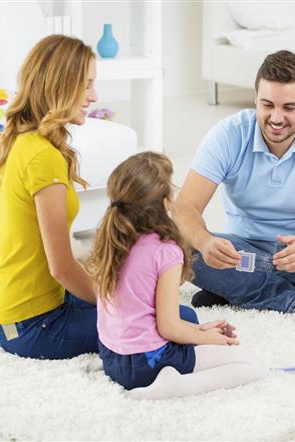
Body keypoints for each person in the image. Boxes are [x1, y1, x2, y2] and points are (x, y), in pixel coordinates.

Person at [174, 50, 295, 324]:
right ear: (255, 99)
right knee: (176, 246)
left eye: (289, 108)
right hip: (241, 250)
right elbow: (185, 207)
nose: (277, 117)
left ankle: (235, 289)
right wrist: (204, 242)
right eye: (267, 105)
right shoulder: (228, 134)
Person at [88, 151, 265, 399]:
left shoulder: (112, 238)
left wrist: (200, 332)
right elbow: (169, 327)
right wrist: (210, 341)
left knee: (189, 323)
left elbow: (137, 312)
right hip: (145, 364)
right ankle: (175, 387)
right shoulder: (166, 251)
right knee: (249, 366)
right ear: (164, 202)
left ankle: (114, 371)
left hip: (111, 356)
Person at [0, 35, 99, 359]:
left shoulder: (27, 141)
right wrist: (114, 304)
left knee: (147, 305)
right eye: (87, 84)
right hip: (32, 324)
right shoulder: (41, 156)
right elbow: (62, 267)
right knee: (173, 320)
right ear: (61, 85)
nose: (94, 96)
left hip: (16, 310)